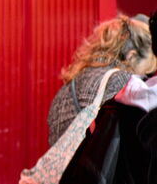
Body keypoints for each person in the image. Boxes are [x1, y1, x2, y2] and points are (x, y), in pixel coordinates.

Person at [46, 14, 153, 146]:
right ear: (131, 56)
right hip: (93, 159)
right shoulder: (119, 80)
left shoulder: (71, 83)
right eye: (150, 66)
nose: (147, 75)